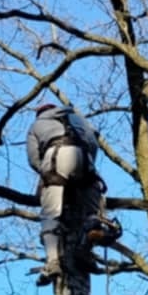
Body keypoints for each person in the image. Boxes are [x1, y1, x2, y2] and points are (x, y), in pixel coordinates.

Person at [25, 101, 119, 283]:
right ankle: (86, 248)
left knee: (50, 214)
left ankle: (53, 262)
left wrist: (47, 174)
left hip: (56, 156)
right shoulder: (79, 119)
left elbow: (33, 158)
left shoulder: (37, 125)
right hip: (85, 159)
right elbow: (93, 143)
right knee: (92, 213)